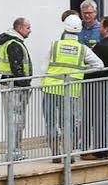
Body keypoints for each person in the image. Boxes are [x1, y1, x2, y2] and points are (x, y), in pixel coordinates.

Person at [39, 13, 101, 158]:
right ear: (79, 30)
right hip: (70, 92)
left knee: (50, 122)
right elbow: (99, 65)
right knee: (68, 123)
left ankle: (55, 153)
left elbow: (43, 69)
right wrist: (82, 70)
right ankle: (69, 154)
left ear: (65, 29)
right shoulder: (82, 49)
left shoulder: (54, 45)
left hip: (50, 89)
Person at [0, 17, 33, 158]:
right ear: (19, 28)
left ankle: (15, 151)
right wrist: (25, 86)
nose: (30, 31)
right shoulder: (14, 44)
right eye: (28, 28)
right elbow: (17, 68)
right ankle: (14, 152)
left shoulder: (12, 42)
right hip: (14, 86)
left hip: (11, 84)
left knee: (15, 120)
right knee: (16, 121)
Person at [85, 16, 108, 159]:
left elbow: (91, 64)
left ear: (106, 28)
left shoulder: (103, 46)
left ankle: (101, 152)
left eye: (101, 26)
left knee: (100, 117)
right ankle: (104, 149)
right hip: (107, 84)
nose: (99, 28)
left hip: (99, 85)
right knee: (104, 116)